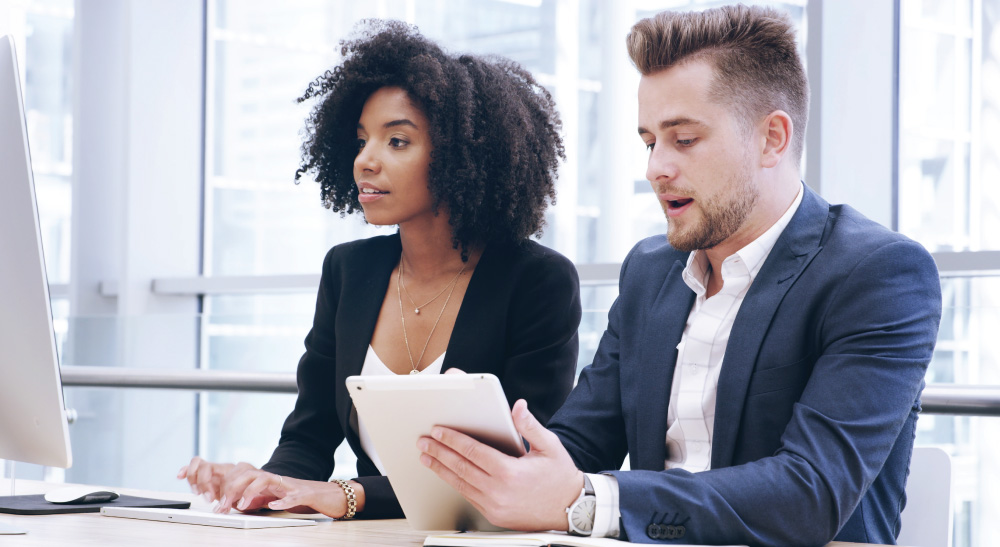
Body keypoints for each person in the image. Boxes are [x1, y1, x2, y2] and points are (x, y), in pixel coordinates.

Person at [418, 5, 942, 546]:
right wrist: (479, 445)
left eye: (684, 139)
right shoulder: (650, 272)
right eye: (649, 142)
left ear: (772, 139)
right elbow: (577, 443)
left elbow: (809, 495)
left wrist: (587, 499)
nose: (655, 168)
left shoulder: (877, 274)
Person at [177, 20, 581, 521]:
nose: (365, 160)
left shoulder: (537, 282)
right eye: (362, 140)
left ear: (462, 157)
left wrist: (350, 495)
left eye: (397, 142)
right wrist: (262, 487)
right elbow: (308, 435)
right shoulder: (348, 270)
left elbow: (515, 465)